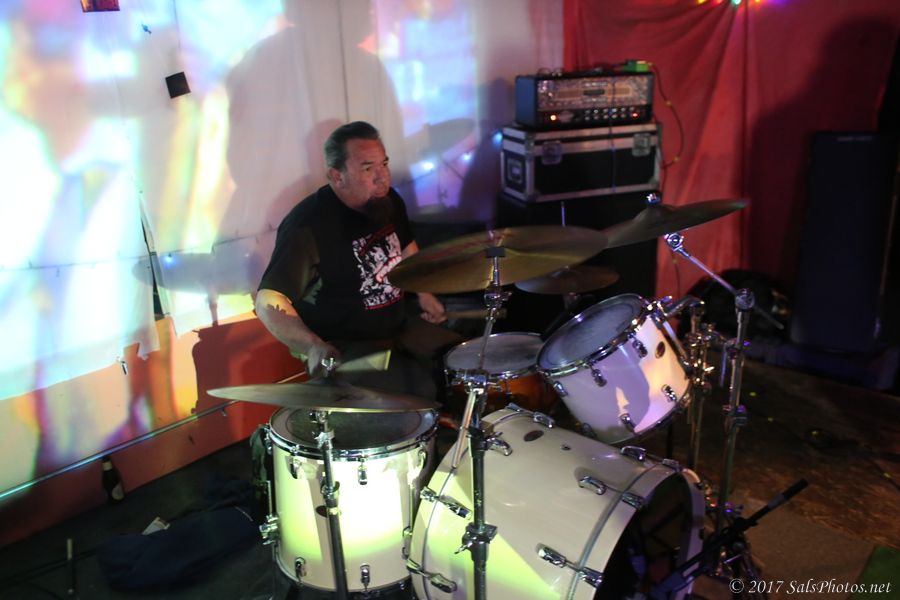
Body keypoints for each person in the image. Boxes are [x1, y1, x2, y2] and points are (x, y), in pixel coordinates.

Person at [255, 120, 462, 399]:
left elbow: (405, 246)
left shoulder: (388, 201)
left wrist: (424, 294)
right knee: (417, 392)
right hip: (347, 347)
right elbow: (268, 300)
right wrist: (313, 346)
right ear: (337, 176)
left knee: (461, 361)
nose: (382, 177)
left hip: (399, 327)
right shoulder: (308, 226)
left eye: (384, 164)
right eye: (368, 168)